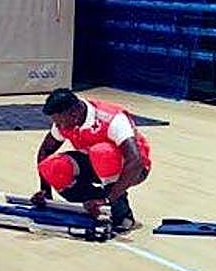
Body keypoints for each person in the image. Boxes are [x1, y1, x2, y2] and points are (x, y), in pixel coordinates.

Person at [31, 88, 151, 233]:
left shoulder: (113, 119)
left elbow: (135, 160)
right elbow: (45, 151)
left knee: (101, 152)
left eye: (60, 122)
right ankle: (95, 203)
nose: (59, 126)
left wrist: (110, 199)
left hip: (133, 168)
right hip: (97, 163)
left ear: (74, 114)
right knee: (54, 166)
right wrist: (45, 191)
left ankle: (122, 213)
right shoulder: (64, 120)